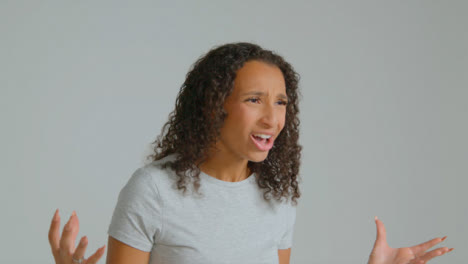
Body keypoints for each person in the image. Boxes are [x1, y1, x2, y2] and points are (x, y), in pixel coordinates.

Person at [48, 42, 453, 264]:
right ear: (214, 105)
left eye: (280, 103)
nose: (273, 118)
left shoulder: (277, 198)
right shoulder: (153, 190)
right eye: (255, 99)